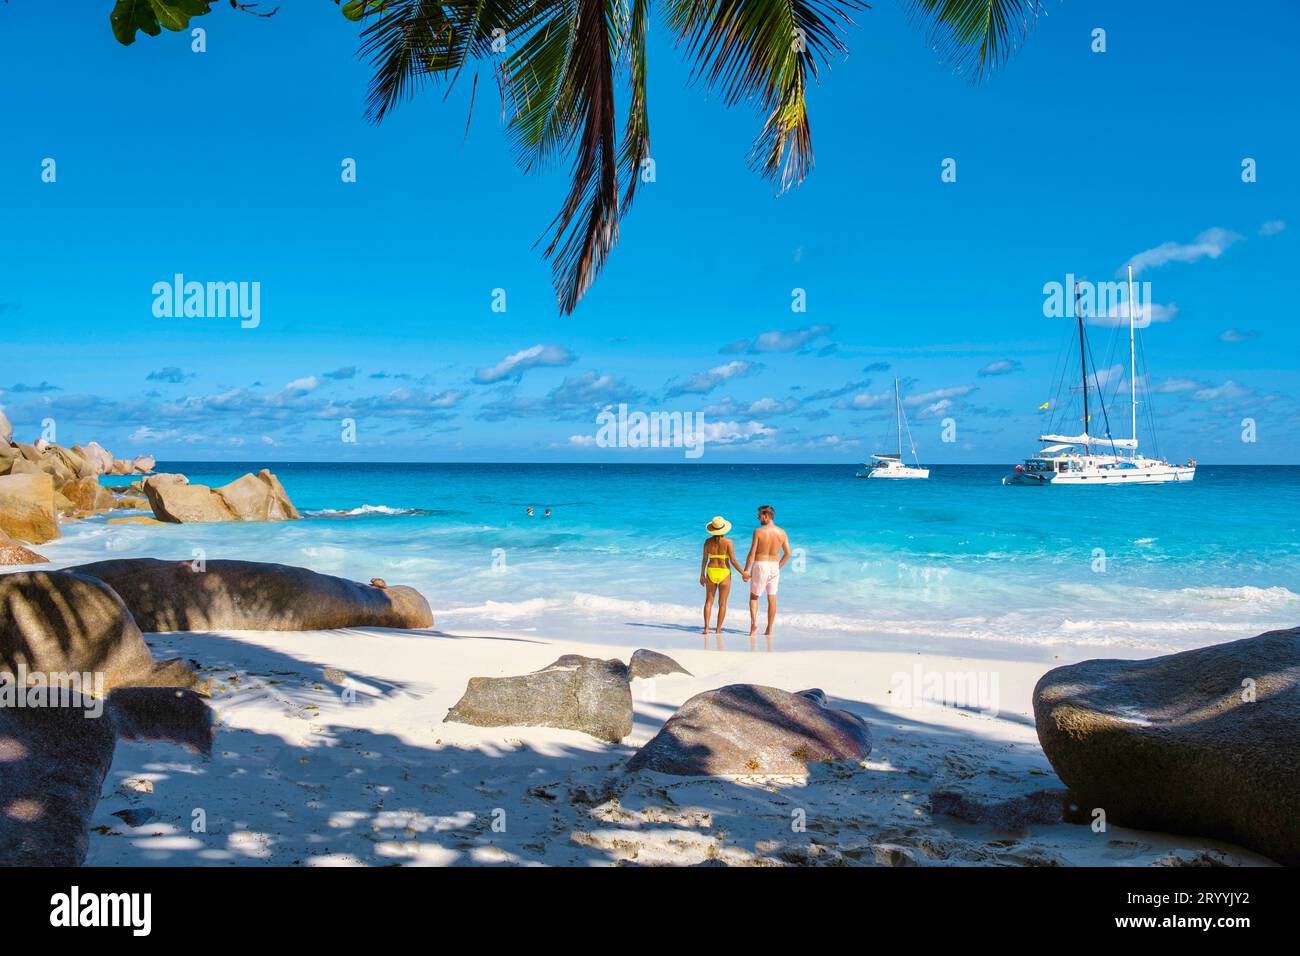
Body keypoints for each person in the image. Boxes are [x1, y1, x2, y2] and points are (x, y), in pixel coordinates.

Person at [742, 504, 790, 649]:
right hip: (774, 566)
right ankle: (769, 628)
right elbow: (788, 553)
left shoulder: (758, 531)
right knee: (772, 597)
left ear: (766, 516)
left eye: (759, 515)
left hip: (760, 565)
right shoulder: (782, 532)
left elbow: (752, 553)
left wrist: (746, 571)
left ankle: (753, 625)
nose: (757, 517)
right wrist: (778, 566)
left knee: (754, 596)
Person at [699, 515, 745, 645]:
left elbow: (704, 560)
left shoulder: (707, 542)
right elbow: (733, 561)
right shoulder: (728, 542)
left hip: (711, 571)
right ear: (724, 529)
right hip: (724, 572)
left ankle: (706, 628)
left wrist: (702, 574)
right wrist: (743, 573)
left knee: (709, 601)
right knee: (722, 603)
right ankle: (718, 629)